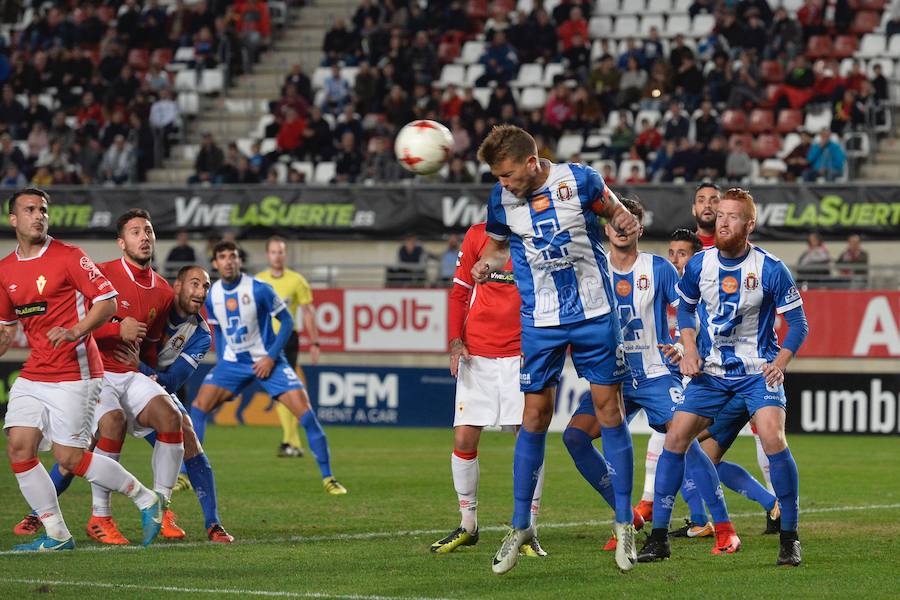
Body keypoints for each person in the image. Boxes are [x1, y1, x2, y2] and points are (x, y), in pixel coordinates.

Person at [471, 125, 640, 574]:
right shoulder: (499, 199)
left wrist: (624, 221)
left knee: (608, 412)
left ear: (531, 162)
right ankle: (521, 524)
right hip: (540, 320)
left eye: (508, 174)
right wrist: (485, 265)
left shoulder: (580, 180)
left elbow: (618, 214)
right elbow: (497, 247)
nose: (503, 183)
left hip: (594, 312)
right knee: (534, 417)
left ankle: (624, 522)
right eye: (498, 177)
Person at [638, 188, 808, 567]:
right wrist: (689, 347)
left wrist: (780, 363)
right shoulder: (701, 264)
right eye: (720, 215)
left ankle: (789, 537)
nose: (723, 221)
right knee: (675, 438)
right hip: (711, 374)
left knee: (772, 436)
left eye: (733, 216)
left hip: (755, 372)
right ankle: (659, 537)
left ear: (750, 225)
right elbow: (685, 308)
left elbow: (798, 323)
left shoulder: (769, 268)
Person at [564, 200, 738, 556]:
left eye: (630, 223)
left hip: (657, 374)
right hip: (611, 377)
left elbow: (693, 310)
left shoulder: (658, 268)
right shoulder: (594, 270)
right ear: (606, 229)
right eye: (615, 222)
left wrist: (683, 345)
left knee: (682, 440)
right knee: (575, 438)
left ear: (639, 230)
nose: (622, 228)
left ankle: (724, 528)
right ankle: (626, 515)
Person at [15, 266, 236, 544]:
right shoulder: (156, 299)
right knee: (84, 446)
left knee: (184, 430)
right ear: (176, 287)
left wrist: (140, 366)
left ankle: (206, 522)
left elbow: (173, 379)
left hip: (150, 382)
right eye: (195, 284)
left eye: (205, 287)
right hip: (116, 376)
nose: (201, 292)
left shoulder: (200, 334)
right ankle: (43, 513)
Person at [0, 188, 163, 551]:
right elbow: (7, 326)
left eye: (43, 209)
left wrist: (74, 331)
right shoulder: (5, 270)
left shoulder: (70, 256)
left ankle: (147, 499)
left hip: (76, 371)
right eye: (30, 210)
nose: (39, 215)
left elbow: (106, 303)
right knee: (18, 446)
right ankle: (56, 533)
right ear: (13, 220)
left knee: (69, 458)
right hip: (35, 372)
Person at [189, 241, 347, 495]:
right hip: (232, 364)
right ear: (215, 263)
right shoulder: (213, 293)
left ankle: (329, 478)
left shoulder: (259, 289)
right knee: (196, 409)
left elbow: (286, 322)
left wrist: (271, 358)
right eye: (223, 257)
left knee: (305, 414)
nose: (229, 261)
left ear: (239, 260)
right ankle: (187, 475)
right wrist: (223, 365)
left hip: (268, 361)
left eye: (233, 256)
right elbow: (218, 331)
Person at [430, 222, 546, 557]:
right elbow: (459, 292)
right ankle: (468, 525)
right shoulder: (477, 235)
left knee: (527, 437)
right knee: (464, 438)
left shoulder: (535, 236)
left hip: (520, 356)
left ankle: (527, 527)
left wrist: (541, 348)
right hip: (477, 355)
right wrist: (455, 343)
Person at [78, 209, 186, 545]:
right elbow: (77, 330)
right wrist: (115, 328)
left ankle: (162, 508)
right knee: (112, 423)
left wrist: (149, 370)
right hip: (95, 371)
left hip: (130, 372)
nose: (145, 237)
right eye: (136, 232)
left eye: (149, 231)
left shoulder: (164, 291)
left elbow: (151, 344)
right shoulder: (101, 274)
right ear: (121, 242)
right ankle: (100, 517)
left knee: (172, 418)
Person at [256, 236, 321, 459]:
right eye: (273, 252)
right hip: (265, 340)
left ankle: (289, 442)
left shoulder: (297, 280)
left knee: (284, 390)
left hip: (287, 339)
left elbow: (309, 312)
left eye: (281, 251)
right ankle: (291, 442)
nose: (277, 255)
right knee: (282, 391)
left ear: (285, 254)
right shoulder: (258, 281)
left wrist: (314, 342)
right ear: (268, 255)